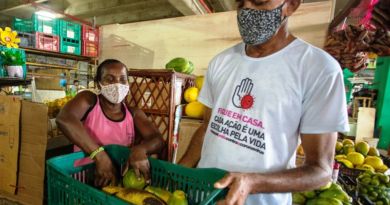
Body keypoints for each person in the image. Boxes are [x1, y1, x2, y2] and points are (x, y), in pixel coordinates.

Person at [179, 0, 349, 204]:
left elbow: (320, 171)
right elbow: (208, 128)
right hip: (204, 196)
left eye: (259, 2)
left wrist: (252, 182)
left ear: (291, 5)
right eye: (241, 3)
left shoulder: (319, 69)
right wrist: (178, 175)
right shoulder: (221, 62)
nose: (248, 10)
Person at [56, 59, 165, 187]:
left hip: (116, 182)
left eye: (123, 79)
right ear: (98, 84)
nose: (117, 84)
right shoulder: (89, 100)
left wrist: (141, 149)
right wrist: (100, 156)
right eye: (110, 79)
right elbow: (64, 119)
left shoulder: (133, 114)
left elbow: (157, 139)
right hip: (83, 179)